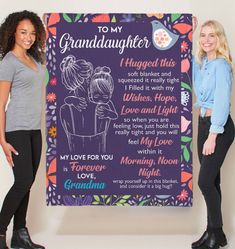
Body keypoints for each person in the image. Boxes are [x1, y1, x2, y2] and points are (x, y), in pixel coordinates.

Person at [0, 10, 46, 249]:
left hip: (34, 130)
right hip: (16, 129)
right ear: (13, 33)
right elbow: (0, 104)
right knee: (23, 180)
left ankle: (20, 235)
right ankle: (0, 231)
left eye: (32, 32)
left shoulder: (35, 60)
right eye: (23, 32)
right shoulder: (8, 62)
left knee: (27, 183)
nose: (28, 37)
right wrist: (2, 140)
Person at [192, 18, 234, 249]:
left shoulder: (221, 65)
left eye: (212, 35)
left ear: (220, 39)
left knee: (205, 181)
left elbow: (221, 102)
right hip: (203, 124)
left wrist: (213, 135)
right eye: (203, 35)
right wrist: (188, 30)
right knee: (214, 181)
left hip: (218, 127)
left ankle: (216, 232)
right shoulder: (203, 64)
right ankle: (214, 233)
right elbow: (184, 60)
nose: (207, 40)